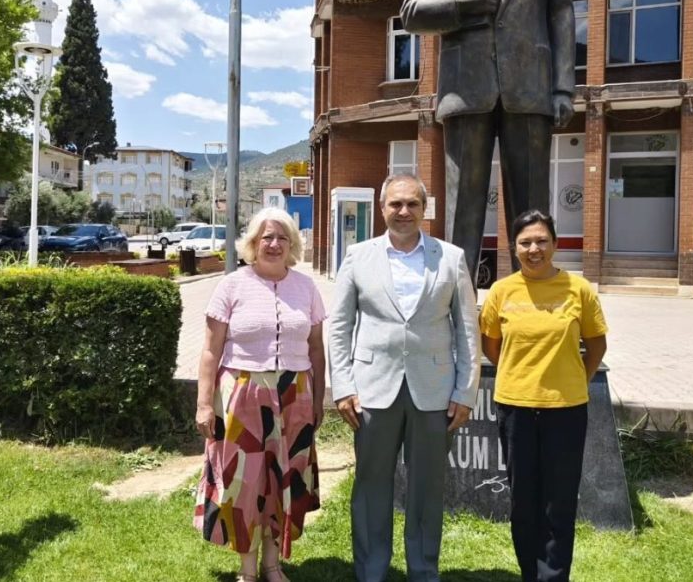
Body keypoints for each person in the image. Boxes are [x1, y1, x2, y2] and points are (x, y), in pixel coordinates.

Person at [328, 173, 480, 582]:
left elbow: (467, 329)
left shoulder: (450, 258)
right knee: (371, 485)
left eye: (412, 204)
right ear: (382, 209)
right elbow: (339, 327)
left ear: (424, 210)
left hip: (434, 392)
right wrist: (342, 386)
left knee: (428, 489)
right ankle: (372, 571)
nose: (403, 211)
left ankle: (423, 570)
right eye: (395, 204)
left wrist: (466, 391)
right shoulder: (358, 256)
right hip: (372, 391)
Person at [401, 0, 576, 278]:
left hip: (530, 87)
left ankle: (532, 301)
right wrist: (459, 2)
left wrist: (563, 88)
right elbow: (411, 10)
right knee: (461, 208)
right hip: (466, 88)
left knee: (532, 208)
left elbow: (561, 12)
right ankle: (456, 303)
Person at [193, 207, 327, 582]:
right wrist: (205, 404)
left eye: (282, 237)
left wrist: (317, 400)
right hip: (242, 394)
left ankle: (273, 564)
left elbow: (316, 349)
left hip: (294, 396)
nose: (274, 244)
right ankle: (247, 569)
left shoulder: (306, 287)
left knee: (284, 481)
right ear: (253, 243)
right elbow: (209, 349)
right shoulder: (232, 285)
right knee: (244, 482)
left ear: (292, 244)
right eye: (266, 237)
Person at [479, 210, 608, 582]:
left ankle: (553, 576)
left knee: (560, 501)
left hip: (565, 410)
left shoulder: (578, 289)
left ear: (555, 244)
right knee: (523, 501)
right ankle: (528, 573)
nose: (534, 249)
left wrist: (573, 380)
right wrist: (522, 375)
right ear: (513, 247)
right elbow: (492, 347)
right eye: (525, 242)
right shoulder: (502, 292)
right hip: (515, 407)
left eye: (541, 241)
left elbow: (596, 345)